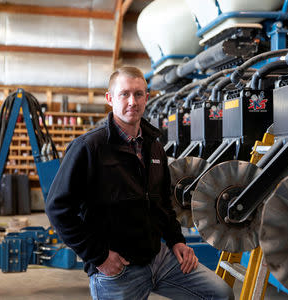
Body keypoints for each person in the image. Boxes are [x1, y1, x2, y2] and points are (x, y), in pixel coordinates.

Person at [45, 66, 234, 300]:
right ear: (110, 99)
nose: (132, 101)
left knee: (220, 294)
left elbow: (162, 202)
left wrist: (176, 240)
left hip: (159, 258)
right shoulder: (89, 148)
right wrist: (99, 256)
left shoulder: (153, 145)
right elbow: (57, 209)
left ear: (147, 97)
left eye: (138, 94)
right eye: (124, 94)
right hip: (118, 268)